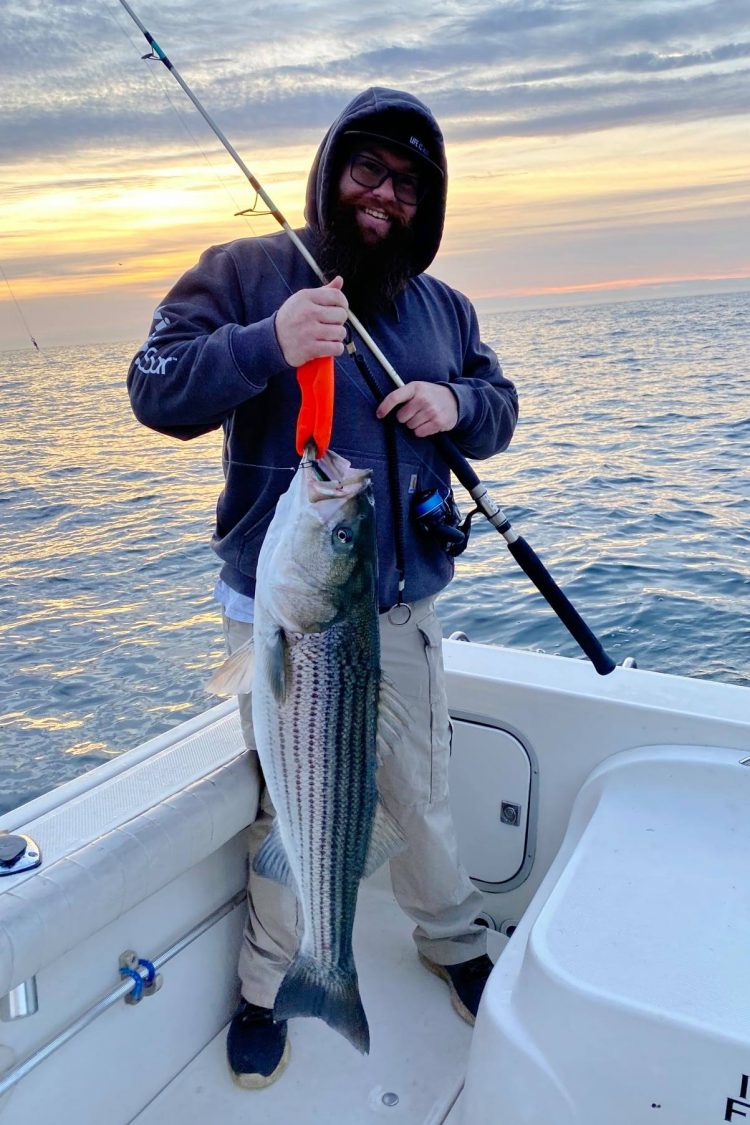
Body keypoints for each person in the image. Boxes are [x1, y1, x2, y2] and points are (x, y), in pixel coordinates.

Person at [127, 86, 518, 1089]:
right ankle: (275, 983)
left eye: (408, 182)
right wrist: (266, 342)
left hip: (399, 607)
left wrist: (457, 403)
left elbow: (499, 406)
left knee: (421, 793)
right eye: (367, 168)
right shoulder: (246, 272)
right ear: (331, 168)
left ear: (429, 201)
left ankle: (453, 939)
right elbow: (154, 386)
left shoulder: (443, 307)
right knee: (290, 807)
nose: (384, 194)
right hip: (288, 613)